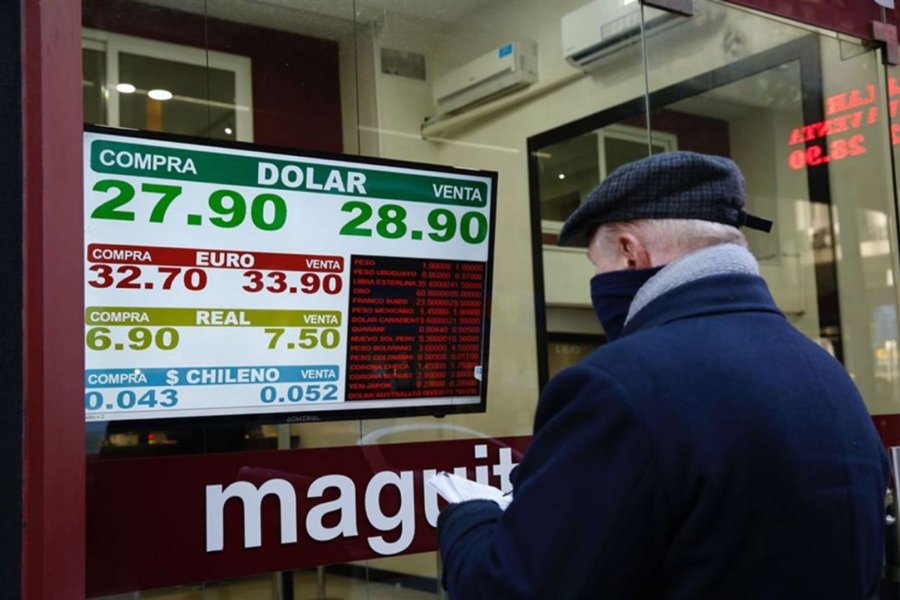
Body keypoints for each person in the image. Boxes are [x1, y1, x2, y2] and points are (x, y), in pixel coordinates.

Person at [436, 151, 889, 599]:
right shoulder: (826, 374)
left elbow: (511, 590)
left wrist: (469, 516)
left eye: (597, 265)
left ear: (630, 253)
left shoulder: (615, 386)